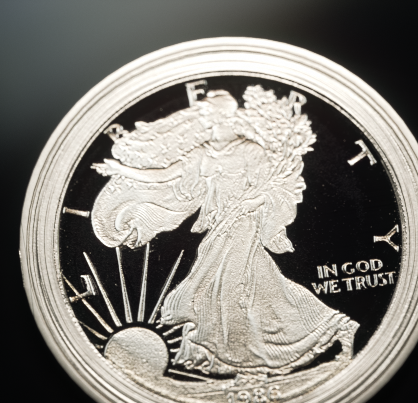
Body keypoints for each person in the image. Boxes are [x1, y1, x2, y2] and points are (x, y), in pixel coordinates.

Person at [90, 87, 358, 376]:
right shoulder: (202, 152)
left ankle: (254, 356)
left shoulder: (252, 151)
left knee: (225, 285)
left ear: (223, 116)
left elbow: (272, 188)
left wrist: (251, 203)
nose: (202, 117)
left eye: (207, 113)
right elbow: (165, 175)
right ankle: (320, 331)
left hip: (243, 222)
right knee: (255, 284)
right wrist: (122, 170)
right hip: (220, 224)